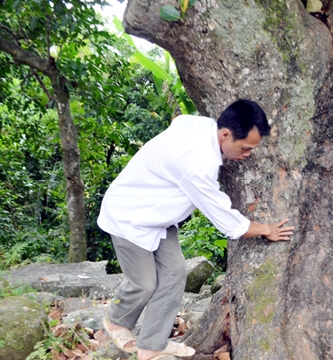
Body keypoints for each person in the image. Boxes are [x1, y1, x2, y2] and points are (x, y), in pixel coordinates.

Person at [97, 99, 294, 360]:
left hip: (159, 216)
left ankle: (151, 346)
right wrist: (265, 229)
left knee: (175, 273)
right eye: (245, 148)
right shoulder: (197, 164)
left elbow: (179, 121)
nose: (248, 154)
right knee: (144, 283)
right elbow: (227, 222)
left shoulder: (200, 125)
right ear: (225, 134)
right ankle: (115, 321)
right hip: (129, 216)